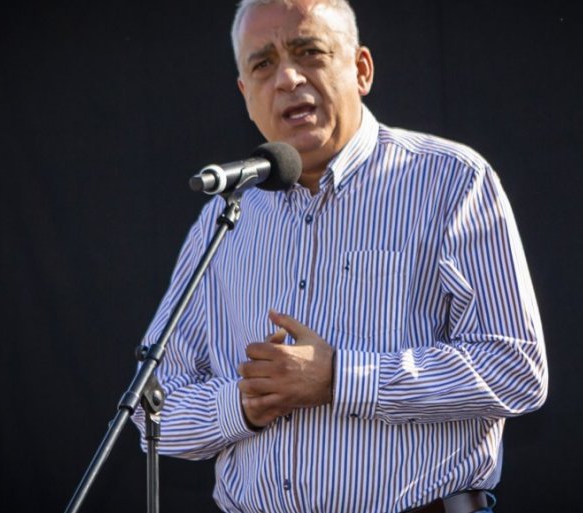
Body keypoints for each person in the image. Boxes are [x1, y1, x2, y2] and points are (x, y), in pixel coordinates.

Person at [132, 1, 548, 511]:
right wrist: (243, 404)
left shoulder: (451, 181)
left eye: (309, 52)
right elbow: (152, 408)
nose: (287, 78)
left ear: (361, 69)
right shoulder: (227, 218)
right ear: (246, 95)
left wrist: (340, 379)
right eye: (263, 64)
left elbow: (515, 369)